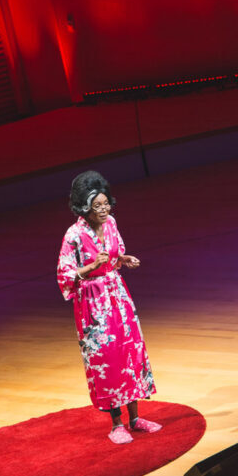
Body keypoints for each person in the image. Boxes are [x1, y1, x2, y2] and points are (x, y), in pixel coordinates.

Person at [56, 170, 161, 444]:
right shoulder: (74, 235)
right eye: (97, 206)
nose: (103, 210)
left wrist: (123, 259)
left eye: (106, 204)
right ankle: (116, 424)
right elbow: (64, 274)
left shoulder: (112, 223)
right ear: (84, 207)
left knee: (130, 351)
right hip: (93, 301)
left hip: (117, 294)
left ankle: (136, 418)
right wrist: (90, 267)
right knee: (107, 358)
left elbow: (113, 256)